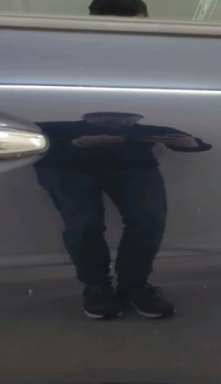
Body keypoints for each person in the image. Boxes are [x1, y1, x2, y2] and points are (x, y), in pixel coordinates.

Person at [35, 112, 211, 319]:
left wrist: (191, 143)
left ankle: (133, 286)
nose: (120, 123)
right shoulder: (58, 128)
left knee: (148, 222)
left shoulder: (144, 131)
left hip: (133, 168)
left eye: (128, 119)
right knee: (84, 225)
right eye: (111, 119)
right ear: (89, 118)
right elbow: (27, 143)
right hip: (68, 169)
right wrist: (74, 144)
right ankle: (97, 288)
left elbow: (192, 142)